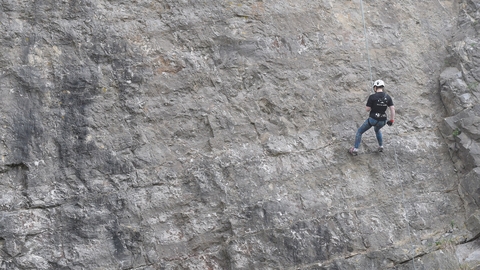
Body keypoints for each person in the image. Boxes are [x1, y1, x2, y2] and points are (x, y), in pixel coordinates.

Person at [349, 79, 395, 155]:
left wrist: (372, 106)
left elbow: (367, 109)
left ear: (375, 87)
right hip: (383, 120)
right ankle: (381, 146)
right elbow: (392, 108)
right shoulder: (388, 97)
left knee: (359, 132)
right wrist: (392, 120)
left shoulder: (372, 97)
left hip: (373, 119)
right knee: (377, 130)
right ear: (382, 87)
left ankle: (355, 149)